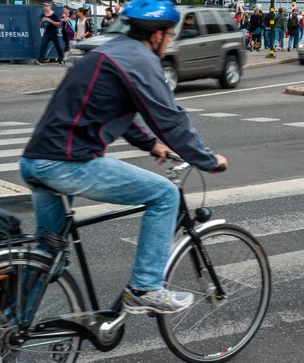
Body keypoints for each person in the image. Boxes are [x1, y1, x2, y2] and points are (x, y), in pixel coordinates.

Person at [19, 0, 227, 315]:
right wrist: (206, 160)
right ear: (158, 35)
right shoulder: (141, 60)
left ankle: (12, 326)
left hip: (35, 161)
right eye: (169, 35)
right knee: (165, 194)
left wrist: (151, 145)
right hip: (67, 164)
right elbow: (169, 119)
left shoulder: (107, 52)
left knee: (49, 253)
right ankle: (145, 288)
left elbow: (118, 111)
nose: (168, 41)